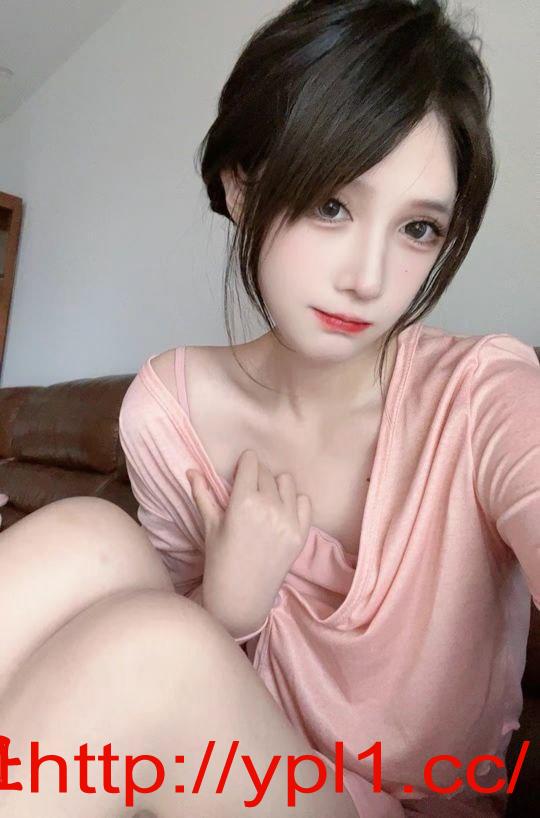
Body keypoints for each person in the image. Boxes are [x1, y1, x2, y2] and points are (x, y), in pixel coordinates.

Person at [0, 1, 538, 817]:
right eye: (332, 206)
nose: (368, 278)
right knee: (89, 536)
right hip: (236, 774)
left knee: (156, 655)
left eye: (419, 228)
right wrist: (228, 606)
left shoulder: (485, 396)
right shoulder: (168, 410)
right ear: (241, 189)